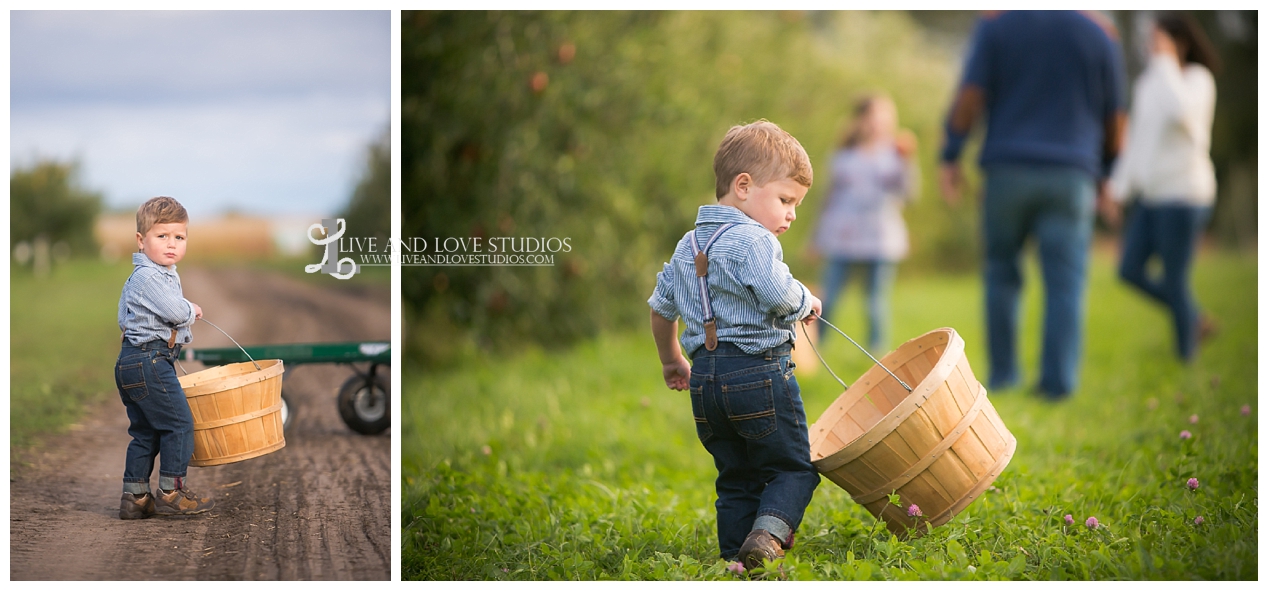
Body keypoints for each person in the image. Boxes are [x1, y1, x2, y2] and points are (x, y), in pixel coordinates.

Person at [648, 120, 823, 570]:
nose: (791, 214)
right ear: (743, 186)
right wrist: (806, 300)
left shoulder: (687, 245)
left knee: (735, 477)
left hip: (705, 381)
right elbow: (777, 293)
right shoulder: (754, 240)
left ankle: (735, 559)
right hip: (760, 375)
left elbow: (660, 308)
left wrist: (672, 360)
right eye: (785, 200)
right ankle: (767, 536)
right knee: (792, 468)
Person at [940, 10, 1127, 399]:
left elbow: (970, 95)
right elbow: (1116, 115)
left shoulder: (997, 25)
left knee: (1001, 274)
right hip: (1071, 175)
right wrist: (1106, 171)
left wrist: (952, 154)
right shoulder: (1099, 34)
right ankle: (1058, 384)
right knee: (1065, 282)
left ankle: (1005, 377)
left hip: (1007, 172)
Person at [1105, 12, 1220, 362]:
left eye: (1158, 42)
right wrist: (1116, 190)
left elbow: (1185, 117)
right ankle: (1195, 318)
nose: (1151, 49)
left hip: (1186, 194)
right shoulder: (1149, 85)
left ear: (1179, 43)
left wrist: (1169, 64)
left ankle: (1187, 360)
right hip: (1154, 197)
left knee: (1174, 279)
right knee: (1128, 270)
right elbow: (1137, 144)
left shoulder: (1198, 79)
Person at [116, 196, 215, 519]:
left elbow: (124, 317)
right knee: (179, 424)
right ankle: (172, 489)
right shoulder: (149, 277)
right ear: (141, 241)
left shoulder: (155, 274)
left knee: (146, 431)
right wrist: (192, 310)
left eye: (179, 237)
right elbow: (175, 311)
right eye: (162, 236)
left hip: (135, 360)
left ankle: (136, 497)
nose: (171, 244)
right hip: (149, 361)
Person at [809, 93, 919, 353]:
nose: (879, 124)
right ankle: (816, 347)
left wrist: (907, 161)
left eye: (885, 118)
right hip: (842, 236)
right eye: (873, 117)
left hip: (880, 237)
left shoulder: (894, 155)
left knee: (875, 301)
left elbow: (909, 194)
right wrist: (815, 237)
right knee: (830, 295)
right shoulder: (844, 156)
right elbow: (828, 198)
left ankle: (876, 352)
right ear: (859, 120)